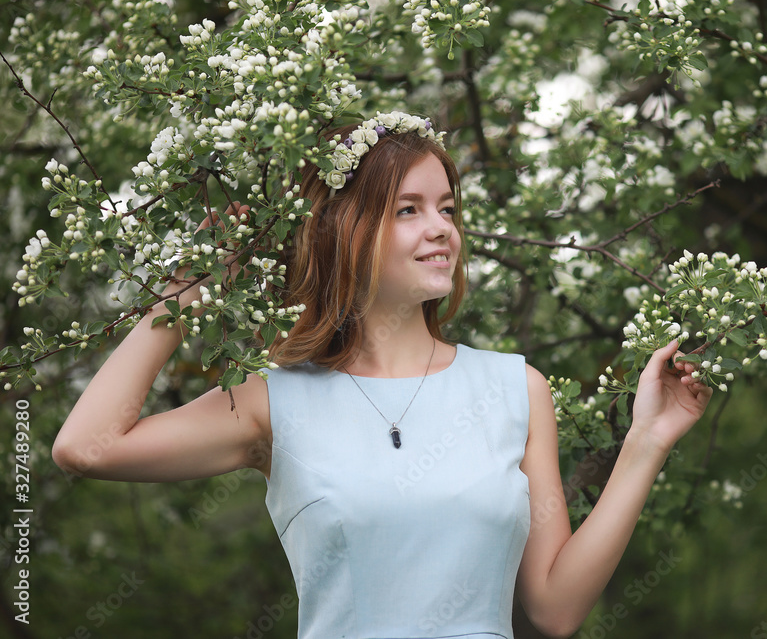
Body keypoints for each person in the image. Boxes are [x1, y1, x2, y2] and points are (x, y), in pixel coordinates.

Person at [52, 111, 712, 638]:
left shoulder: (516, 388)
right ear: (344, 229)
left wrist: (645, 442)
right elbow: (86, 446)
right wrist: (182, 292)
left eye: (448, 208)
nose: (442, 230)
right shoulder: (274, 401)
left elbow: (553, 610)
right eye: (409, 209)